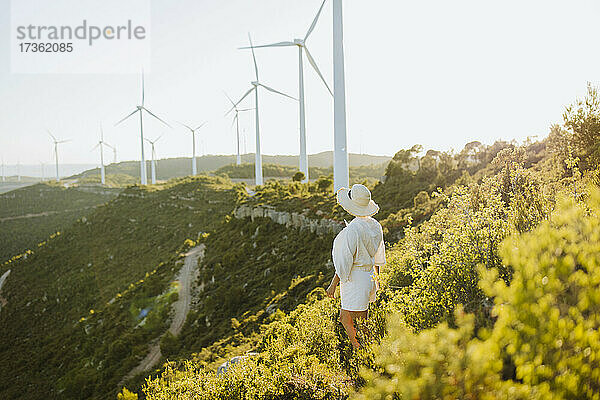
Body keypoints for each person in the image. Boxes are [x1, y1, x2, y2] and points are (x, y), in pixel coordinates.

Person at [326, 183, 385, 349]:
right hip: (369, 277)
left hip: (355, 280)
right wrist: (376, 279)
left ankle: (362, 350)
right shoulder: (375, 226)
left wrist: (333, 284)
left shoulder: (353, 229)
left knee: (351, 320)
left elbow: (345, 260)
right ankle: (366, 349)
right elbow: (378, 256)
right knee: (357, 319)